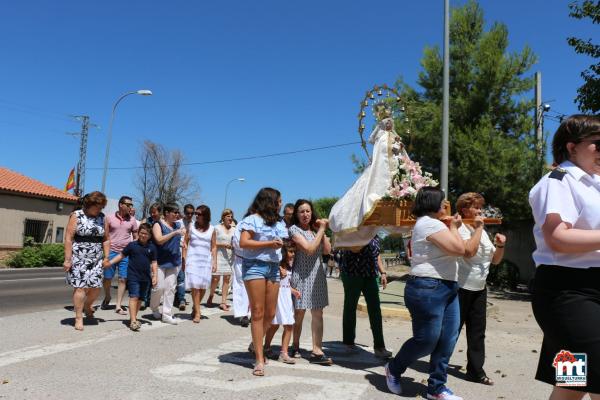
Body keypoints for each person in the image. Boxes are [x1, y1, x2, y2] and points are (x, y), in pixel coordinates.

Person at [529, 115, 600, 399]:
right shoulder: (558, 180)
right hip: (568, 294)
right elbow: (558, 237)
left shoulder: (595, 184)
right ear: (572, 148)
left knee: (572, 383)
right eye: (598, 144)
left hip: (590, 289)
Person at [385, 187, 465, 400]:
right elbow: (458, 249)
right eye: (443, 201)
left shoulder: (437, 224)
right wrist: (455, 227)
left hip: (449, 287)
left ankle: (436, 388)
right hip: (427, 287)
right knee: (427, 340)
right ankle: (394, 368)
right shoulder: (429, 223)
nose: (445, 205)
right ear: (433, 203)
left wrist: (451, 226)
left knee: (447, 339)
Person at [454, 192, 506, 386]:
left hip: (479, 288)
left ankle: (475, 371)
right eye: (476, 207)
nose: (480, 210)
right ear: (465, 209)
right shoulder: (459, 228)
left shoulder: (480, 230)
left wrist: (500, 246)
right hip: (461, 287)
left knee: (477, 332)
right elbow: (469, 252)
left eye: (480, 207)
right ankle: (438, 367)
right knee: (452, 331)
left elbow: (495, 260)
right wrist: (478, 227)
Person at [238, 187, 288, 376]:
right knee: (258, 312)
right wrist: (268, 244)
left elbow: (281, 245)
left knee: (271, 312)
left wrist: (283, 262)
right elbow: (244, 242)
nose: (281, 203)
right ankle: (259, 359)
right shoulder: (252, 219)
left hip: (273, 267)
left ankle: (255, 343)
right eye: (279, 200)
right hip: (254, 266)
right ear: (270, 201)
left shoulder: (278, 223)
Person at [289, 199, 332, 365]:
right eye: (301, 211)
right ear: (297, 215)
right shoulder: (294, 230)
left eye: (308, 211)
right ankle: (295, 345)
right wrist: (321, 229)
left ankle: (316, 349)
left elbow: (327, 251)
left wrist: (322, 231)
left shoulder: (316, 231)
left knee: (318, 313)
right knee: (299, 313)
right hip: (301, 275)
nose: (305, 214)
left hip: (317, 276)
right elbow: (308, 249)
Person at [340, 236, 392, 359]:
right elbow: (355, 249)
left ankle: (379, 347)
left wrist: (383, 272)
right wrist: (366, 235)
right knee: (350, 308)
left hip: (371, 275)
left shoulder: (375, 234)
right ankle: (348, 342)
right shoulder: (355, 230)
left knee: (375, 310)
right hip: (352, 273)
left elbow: (376, 254)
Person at [64, 191, 110, 331]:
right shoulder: (76, 215)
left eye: (102, 207)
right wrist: (67, 259)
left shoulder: (103, 218)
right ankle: (78, 318)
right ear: (89, 205)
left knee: (95, 288)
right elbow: (68, 238)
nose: (100, 210)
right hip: (79, 257)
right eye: (98, 207)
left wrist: (106, 257)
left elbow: (106, 239)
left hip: (96, 259)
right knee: (80, 288)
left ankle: (87, 305)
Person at [104, 223, 158, 331]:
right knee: (134, 296)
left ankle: (134, 317)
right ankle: (133, 320)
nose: (143, 236)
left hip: (146, 278)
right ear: (138, 233)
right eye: (141, 233)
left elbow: (154, 262)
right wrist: (110, 262)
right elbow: (121, 255)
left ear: (150, 236)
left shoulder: (152, 247)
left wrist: (155, 276)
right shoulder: (132, 245)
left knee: (140, 299)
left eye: (146, 234)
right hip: (133, 276)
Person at [264, 242, 301, 364]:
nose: (293, 254)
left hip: (286, 298)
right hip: (277, 297)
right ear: (284, 253)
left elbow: (286, 285)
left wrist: (293, 291)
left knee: (289, 324)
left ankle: (283, 352)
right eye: (290, 251)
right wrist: (278, 270)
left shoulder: (290, 266)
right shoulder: (277, 266)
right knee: (274, 324)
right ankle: (267, 347)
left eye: (294, 252)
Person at [150, 203, 186, 325]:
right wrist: (174, 233)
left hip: (174, 261)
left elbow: (181, 237)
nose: (177, 215)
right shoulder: (157, 224)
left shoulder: (178, 225)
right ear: (166, 213)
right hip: (159, 261)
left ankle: (166, 314)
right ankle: (154, 307)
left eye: (177, 212)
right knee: (159, 288)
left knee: (170, 288)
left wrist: (182, 242)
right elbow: (159, 240)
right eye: (174, 212)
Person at [101, 196, 138, 315]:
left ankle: (118, 305)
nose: (130, 207)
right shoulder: (109, 218)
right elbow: (105, 237)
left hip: (125, 253)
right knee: (107, 278)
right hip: (111, 251)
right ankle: (107, 296)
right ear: (120, 205)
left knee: (123, 279)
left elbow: (136, 237)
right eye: (128, 204)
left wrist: (135, 250)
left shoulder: (132, 220)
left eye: (131, 205)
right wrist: (105, 253)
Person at [182, 205, 217, 323]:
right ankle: (198, 312)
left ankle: (195, 306)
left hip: (205, 261)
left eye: (199, 214)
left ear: (206, 216)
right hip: (193, 260)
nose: (196, 215)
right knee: (195, 287)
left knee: (202, 288)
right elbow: (185, 243)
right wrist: (184, 258)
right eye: (195, 213)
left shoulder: (212, 229)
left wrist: (214, 262)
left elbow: (213, 247)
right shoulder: (191, 227)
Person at [208, 209, 235, 310]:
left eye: (231, 216)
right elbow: (212, 243)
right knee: (215, 279)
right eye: (228, 216)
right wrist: (223, 244)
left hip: (229, 257)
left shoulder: (234, 230)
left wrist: (233, 246)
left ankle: (223, 302)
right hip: (218, 256)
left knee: (227, 279)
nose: (230, 218)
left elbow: (236, 242)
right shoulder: (216, 228)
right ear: (223, 217)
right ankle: (211, 295)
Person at [140, 202, 162, 310]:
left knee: (155, 276)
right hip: (146, 250)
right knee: (146, 275)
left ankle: (151, 300)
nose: (152, 214)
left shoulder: (162, 223)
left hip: (158, 251)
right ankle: (144, 299)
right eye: (151, 212)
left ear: (160, 212)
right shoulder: (147, 221)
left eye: (155, 212)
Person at [175, 204, 195, 311]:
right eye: (187, 213)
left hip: (190, 252)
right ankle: (180, 298)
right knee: (179, 275)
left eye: (192, 213)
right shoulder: (178, 223)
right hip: (178, 250)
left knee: (184, 276)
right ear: (184, 212)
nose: (190, 215)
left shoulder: (195, 225)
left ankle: (180, 297)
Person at [232, 220, 251, 327]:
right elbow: (237, 243)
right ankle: (243, 314)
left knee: (254, 287)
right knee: (241, 287)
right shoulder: (242, 224)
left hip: (256, 260)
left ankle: (252, 313)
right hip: (241, 259)